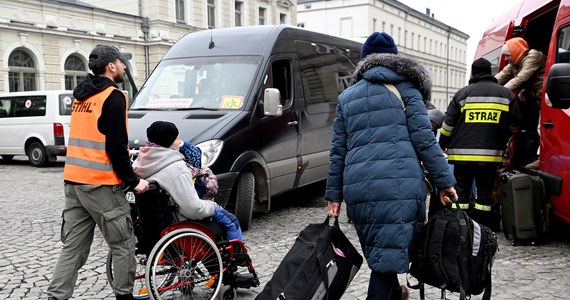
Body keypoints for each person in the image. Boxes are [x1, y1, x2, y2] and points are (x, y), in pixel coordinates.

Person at [325, 32, 458, 300]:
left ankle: (396, 294)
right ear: (394, 60)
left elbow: (338, 150)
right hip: (400, 185)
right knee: (385, 263)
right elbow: (424, 140)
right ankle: (389, 293)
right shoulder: (408, 90)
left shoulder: (347, 97)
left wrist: (334, 195)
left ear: (364, 61)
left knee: (383, 254)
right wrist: (444, 182)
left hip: (359, 189)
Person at [47, 44, 150, 300]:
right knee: (123, 244)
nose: (125, 67)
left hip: (74, 182)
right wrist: (133, 181)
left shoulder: (81, 96)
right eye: (122, 62)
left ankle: (56, 297)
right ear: (111, 65)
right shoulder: (114, 96)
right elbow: (116, 146)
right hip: (101, 185)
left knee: (73, 248)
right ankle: (124, 296)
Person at [440, 57, 522, 231]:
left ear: (473, 73)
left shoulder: (462, 94)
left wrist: (443, 142)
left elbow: (448, 125)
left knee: (460, 193)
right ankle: (484, 227)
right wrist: (502, 136)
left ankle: (460, 226)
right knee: (485, 194)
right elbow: (515, 124)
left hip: (461, 155)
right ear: (490, 73)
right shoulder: (505, 94)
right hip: (490, 155)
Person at [132, 121, 242, 241]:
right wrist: (213, 206)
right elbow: (193, 209)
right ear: (168, 142)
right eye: (177, 138)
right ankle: (240, 258)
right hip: (180, 224)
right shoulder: (177, 169)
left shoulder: (140, 164)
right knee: (231, 221)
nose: (180, 143)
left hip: (153, 226)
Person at [495, 37, 545, 167]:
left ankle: (542, 157)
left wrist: (498, 94)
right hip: (534, 101)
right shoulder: (514, 63)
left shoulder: (533, 56)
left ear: (516, 51)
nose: (506, 59)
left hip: (545, 100)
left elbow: (520, 79)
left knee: (542, 128)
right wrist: (486, 86)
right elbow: (499, 77)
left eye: (507, 55)